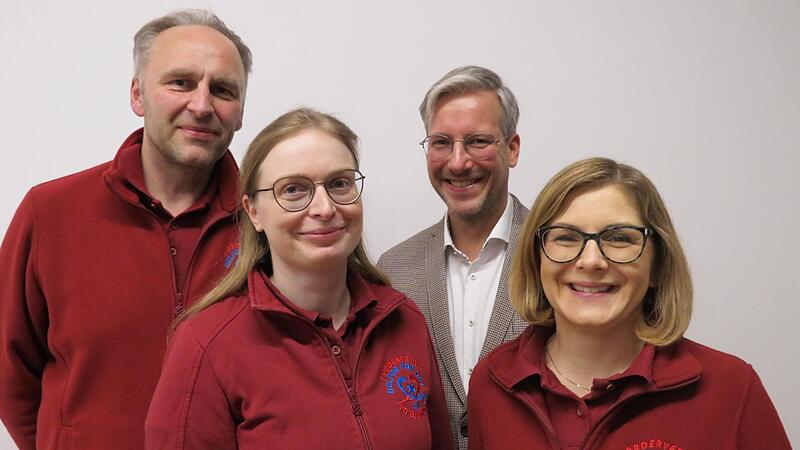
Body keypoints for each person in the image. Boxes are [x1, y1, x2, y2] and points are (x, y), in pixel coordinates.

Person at [0, 10, 251, 450]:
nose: (201, 105)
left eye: (223, 90)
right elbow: (8, 367)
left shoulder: (268, 221)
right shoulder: (49, 211)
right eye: (180, 82)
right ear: (138, 94)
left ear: (241, 112)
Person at [144, 108, 453, 450]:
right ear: (253, 211)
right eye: (293, 189)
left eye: (339, 183)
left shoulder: (405, 321)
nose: (324, 208)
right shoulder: (206, 345)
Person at [467, 157, 791, 449]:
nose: (591, 261)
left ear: (658, 265)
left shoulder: (731, 388)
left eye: (619, 238)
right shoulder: (491, 383)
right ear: (536, 259)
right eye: (565, 237)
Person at [378, 65, 528, 448]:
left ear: (512, 149)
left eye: (477, 141)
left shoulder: (560, 256)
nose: (458, 162)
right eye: (441, 142)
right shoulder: (392, 270)